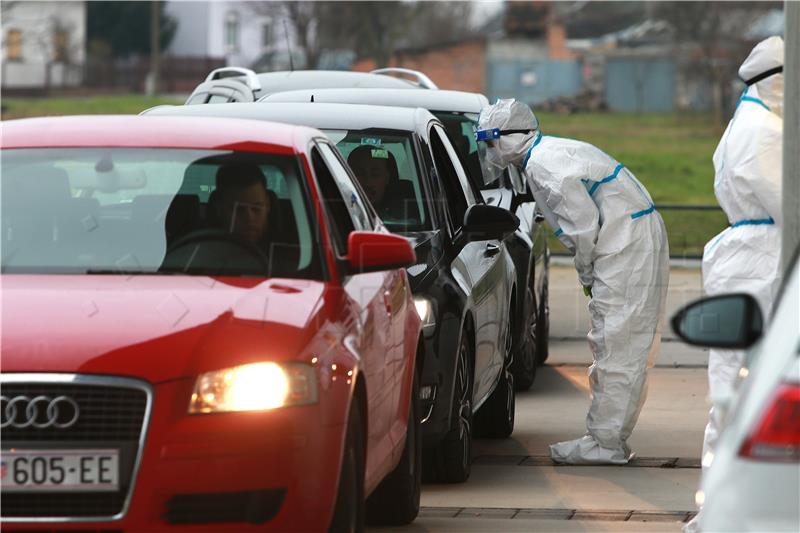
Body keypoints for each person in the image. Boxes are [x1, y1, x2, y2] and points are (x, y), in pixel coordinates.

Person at [476, 99, 669, 465]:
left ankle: (606, 443)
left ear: (508, 138)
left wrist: (585, 270)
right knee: (621, 339)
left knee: (616, 340)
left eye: (490, 142)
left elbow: (581, 226)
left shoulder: (543, 165)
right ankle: (607, 438)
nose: (489, 152)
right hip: (627, 237)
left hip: (623, 243)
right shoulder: (548, 152)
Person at [685, 36, 784, 533]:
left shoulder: (744, 123)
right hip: (762, 264)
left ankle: (722, 509)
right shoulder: (766, 131)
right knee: (756, 393)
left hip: (744, 260)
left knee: (731, 392)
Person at [347, 145, 416, 222]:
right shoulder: (336, 211)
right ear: (348, 176)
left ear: (387, 178)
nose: (368, 182)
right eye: (359, 174)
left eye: (375, 174)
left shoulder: (406, 219)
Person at [213, 162, 273, 245]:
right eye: (239, 209)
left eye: (256, 208)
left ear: (268, 205)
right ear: (219, 209)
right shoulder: (200, 249)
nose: (249, 218)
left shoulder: (290, 249)